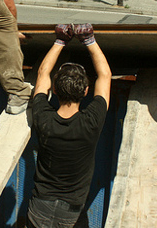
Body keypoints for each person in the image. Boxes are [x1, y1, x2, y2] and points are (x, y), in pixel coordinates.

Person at [26, 23, 112, 228]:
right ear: (85, 92)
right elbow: (105, 76)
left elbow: (42, 75)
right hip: (72, 211)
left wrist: (60, 41)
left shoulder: (43, 117)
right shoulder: (91, 122)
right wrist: (89, 40)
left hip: (40, 206)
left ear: (54, 90)